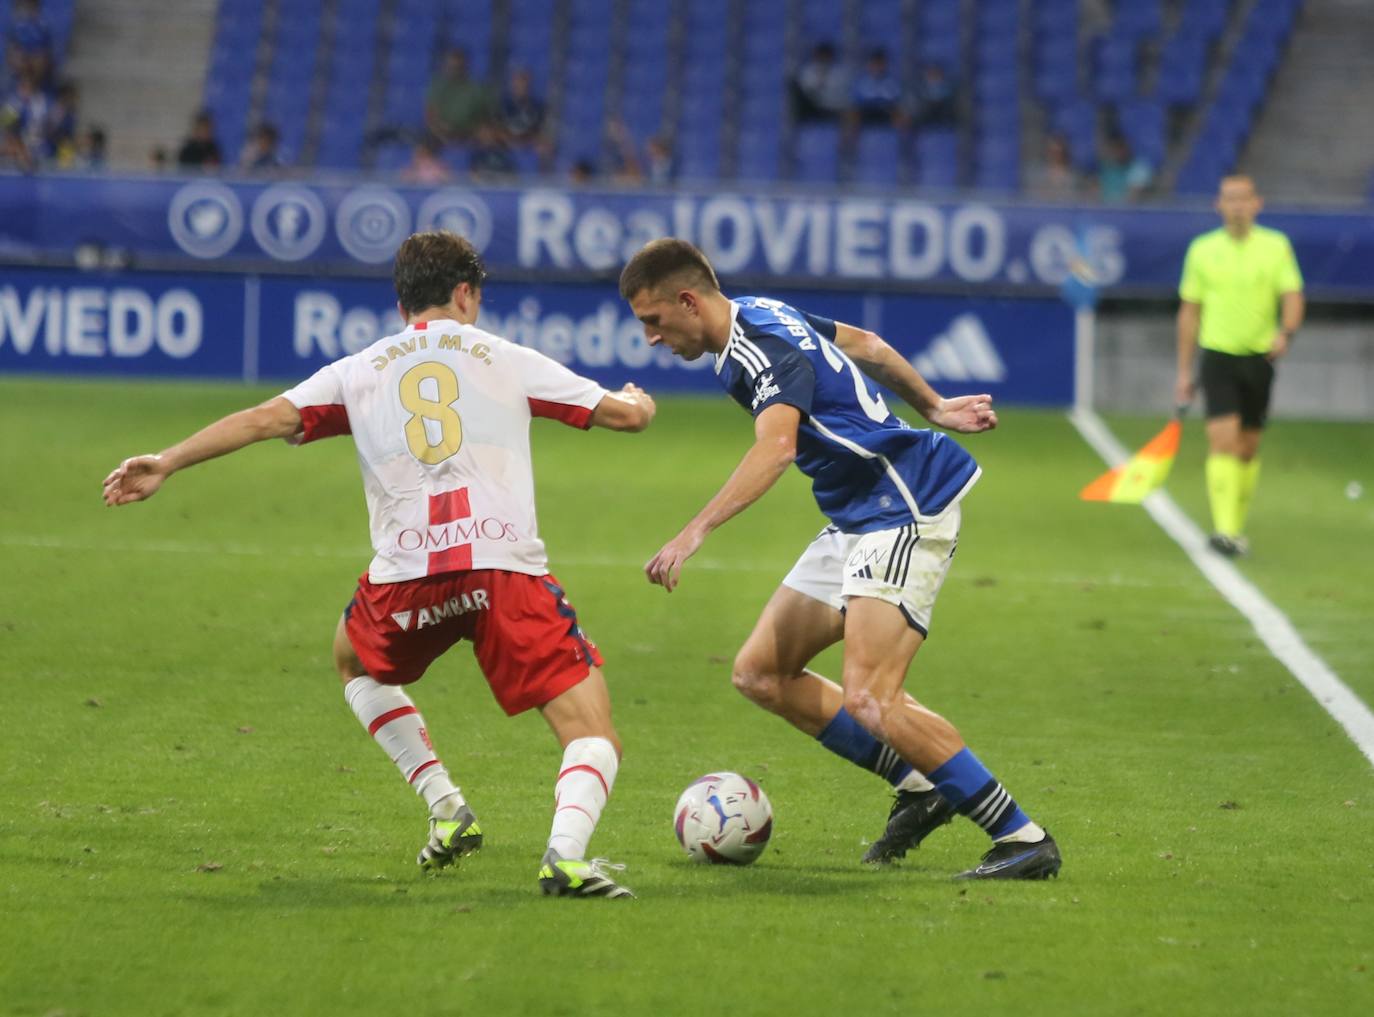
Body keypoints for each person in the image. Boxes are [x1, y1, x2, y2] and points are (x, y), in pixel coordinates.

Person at [103, 231, 657, 899]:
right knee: (592, 734)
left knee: (350, 657)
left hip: (406, 577)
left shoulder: (357, 369)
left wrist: (166, 460)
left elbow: (261, 419)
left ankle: (447, 805)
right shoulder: (506, 357)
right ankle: (565, 857)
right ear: (465, 294)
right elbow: (622, 418)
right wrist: (640, 401)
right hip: (501, 568)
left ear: (402, 305)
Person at [618, 239, 1061, 880]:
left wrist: (694, 532)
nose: (651, 338)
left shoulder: (758, 345)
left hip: (904, 505)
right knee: (761, 673)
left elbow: (774, 450)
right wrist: (932, 405)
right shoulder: (758, 314)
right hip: (857, 513)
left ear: (688, 300)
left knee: (873, 698)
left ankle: (1022, 837)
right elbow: (869, 346)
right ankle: (922, 788)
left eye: (653, 321)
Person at [1175, 175, 1304, 557]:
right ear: (1218, 205)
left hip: (1259, 357)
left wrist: (1287, 333)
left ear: (1256, 203)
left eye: (1242, 198)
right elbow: (1189, 311)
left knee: (1248, 447)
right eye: (1229, 199)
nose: (1236, 205)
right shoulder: (1202, 250)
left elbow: (1293, 295)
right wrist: (1184, 371)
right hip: (1217, 355)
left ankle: (1235, 526)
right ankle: (1225, 531)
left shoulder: (1276, 246)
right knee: (1222, 440)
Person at [425, 48, 493, 143]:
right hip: (441, 134)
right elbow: (430, 116)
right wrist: (441, 131)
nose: (454, 71)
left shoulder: (476, 88)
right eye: (451, 67)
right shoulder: (437, 87)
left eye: (458, 67)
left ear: (465, 67)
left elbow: (485, 117)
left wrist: (475, 130)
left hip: (470, 134)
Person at [791, 42, 850, 123]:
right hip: (813, 106)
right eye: (821, 57)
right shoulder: (807, 71)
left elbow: (840, 92)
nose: (823, 60)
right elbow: (806, 91)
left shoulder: (839, 72)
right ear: (816, 57)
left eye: (826, 57)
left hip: (834, 106)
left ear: (831, 58)